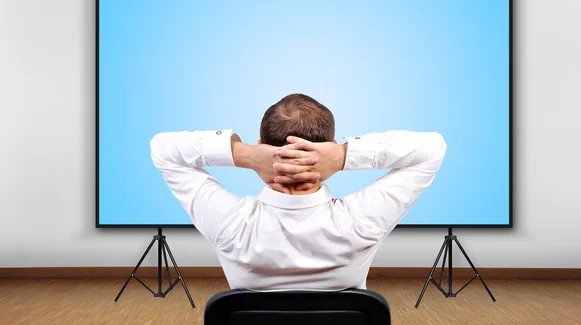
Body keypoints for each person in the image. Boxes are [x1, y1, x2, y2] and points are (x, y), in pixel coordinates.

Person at [150, 93, 447, 291]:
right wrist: (344, 156)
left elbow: (163, 150)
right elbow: (432, 149)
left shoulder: (231, 225)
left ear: (261, 143)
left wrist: (245, 155)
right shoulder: (360, 223)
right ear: (329, 142)